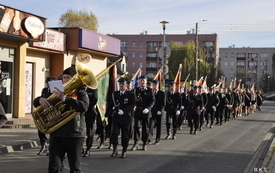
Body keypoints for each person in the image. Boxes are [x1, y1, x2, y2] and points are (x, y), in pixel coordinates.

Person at [34, 66, 89, 173]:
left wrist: (65, 98)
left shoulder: (80, 92)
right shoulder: (56, 91)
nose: (65, 80)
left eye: (68, 77)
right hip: (57, 135)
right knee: (53, 168)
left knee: (75, 169)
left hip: (75, 135)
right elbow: (38, 102)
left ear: (74, 78)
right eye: (64, 77)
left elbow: (84, 107)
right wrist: (40, 100)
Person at [106, 78, 135, 158]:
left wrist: (124, 111)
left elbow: (132, 105)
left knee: (125, 135)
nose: (121, 85)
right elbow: (110, 105)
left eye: (123, 84)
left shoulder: (130, 94)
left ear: (126, 85)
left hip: (126, 117)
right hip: (116, 117)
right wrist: (105, 116)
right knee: (114, 134)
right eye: (120, 84)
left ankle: (124, 150)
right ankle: (115, 150)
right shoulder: (114, 94)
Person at [131, 75, 155, 151]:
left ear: (146, 81)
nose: (142, 82)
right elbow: (133, 100)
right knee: (136, 127)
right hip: (137, 111)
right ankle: (136, 142)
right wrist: (133, 106)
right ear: (139, 82)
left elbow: (152, 101)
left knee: (145, 128)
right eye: (141, 80)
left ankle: (144, 143)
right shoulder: (135, 90)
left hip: (146, 112)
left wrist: (148, 108)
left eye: (143, 81)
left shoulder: (149, 90)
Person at [33, 77, 55, 155]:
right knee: (41, 129)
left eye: (50, 83)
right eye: (47, 83)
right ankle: (43, 145)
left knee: (52, 130)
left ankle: (51, 148)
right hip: (45, 112)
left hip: (53, 112)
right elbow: (42, 97)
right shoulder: (44, 90)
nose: (48, 85)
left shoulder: (56, 90)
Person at [82, 88, 98, 157]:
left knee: (89, 132)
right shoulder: (80, 89)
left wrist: (85, 107)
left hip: (90, 111)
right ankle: (81, 147)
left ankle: (88, 148)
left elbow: (95, 100)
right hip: (80, 112)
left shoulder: (93, 89)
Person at [149, 80, 165, 144]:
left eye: (156, 85)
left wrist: (160, 110)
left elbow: (163, 103)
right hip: (152, 111)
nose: (154, 86)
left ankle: (157, 139)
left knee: (159, 126)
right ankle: (149, 138)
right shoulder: (151, 92)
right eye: (153, 85)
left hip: (159, 111)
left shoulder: (162, 93)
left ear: (158, 85)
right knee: (151, 125)